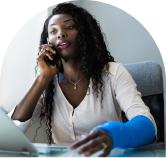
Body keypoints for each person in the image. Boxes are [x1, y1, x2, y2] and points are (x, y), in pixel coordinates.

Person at [8, 2, 157, 158]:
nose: (60, 34)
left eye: (69, 26)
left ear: (85, 32)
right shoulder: (47, 83)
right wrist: (43, 77)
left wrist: (112, 134)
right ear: (47, 42)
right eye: (53, 31)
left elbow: (148, 125)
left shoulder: (114, 73)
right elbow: (13, 131)